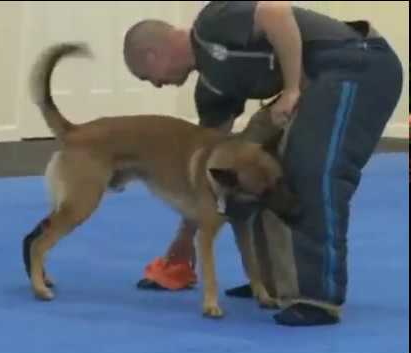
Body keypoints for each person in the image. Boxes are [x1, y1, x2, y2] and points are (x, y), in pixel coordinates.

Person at [123, 1, 403, 326]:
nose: (156, 85)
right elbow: (211, 179)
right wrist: (184, 242)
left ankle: (316, 297)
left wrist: (291, 89)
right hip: (315, 82)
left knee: (312, 169)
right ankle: (271, 282)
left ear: (152, 55)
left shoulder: (213, 21)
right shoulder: (212, 88)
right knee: (251, 167)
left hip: (355, 64)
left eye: (148, 77)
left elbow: (276, 11)